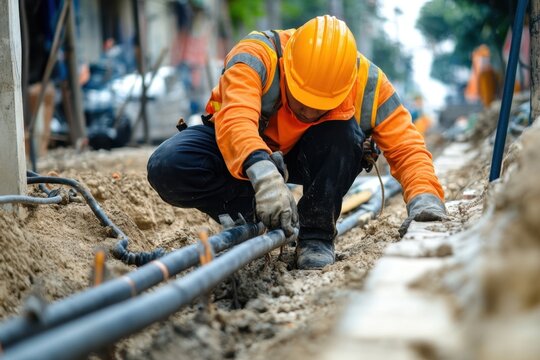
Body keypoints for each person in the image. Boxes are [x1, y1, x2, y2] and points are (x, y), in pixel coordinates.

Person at [147, 15, 446, 270]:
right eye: (302, 100)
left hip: (310, 156)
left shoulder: (368, 84)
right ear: (287, 64)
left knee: (346, 136)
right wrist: (262, 172)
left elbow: (407, 147)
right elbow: (236, 117)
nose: (309, 112)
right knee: (169, 165)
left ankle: (315, 236)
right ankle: (251, 212)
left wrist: (425, 198)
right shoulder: (256, 54)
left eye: (321, 106)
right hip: (243, 148)